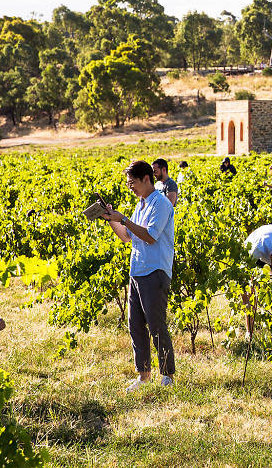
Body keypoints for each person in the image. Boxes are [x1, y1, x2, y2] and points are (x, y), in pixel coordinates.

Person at [102, 160, 176, 392]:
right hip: (137, 270)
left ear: (146, 179)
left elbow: (151, 236)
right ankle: (143, 375)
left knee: (156, 325)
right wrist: (113, 220)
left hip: (155, 270)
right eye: (128, 184)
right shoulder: (141, 205)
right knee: (135, 325)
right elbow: (127, 237)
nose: (130, 187)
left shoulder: (161, 204)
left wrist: (124, 218)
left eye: (132, 183)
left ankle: (167, 375)